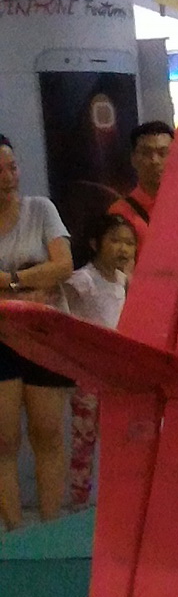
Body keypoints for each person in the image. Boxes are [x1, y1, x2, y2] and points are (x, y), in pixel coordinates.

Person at [0, 134, 74, 526]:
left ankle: (50, 527)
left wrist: (9, 281)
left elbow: (62, 266)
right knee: (4, 440)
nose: (8, 177)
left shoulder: (41, 209)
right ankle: (15, 534)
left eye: (12, 167)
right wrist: (30, 283)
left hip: (45, 333)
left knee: (48, 433)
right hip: (1, 339)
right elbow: (46, 271)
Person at [58, 206, 138, 508]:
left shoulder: (123, 281)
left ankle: (115, 501)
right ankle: (79, 503)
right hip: (88, 375)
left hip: (117, 375)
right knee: (84, 441)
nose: (123, 249)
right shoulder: (83, 280)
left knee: (117, 438)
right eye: (115, 241)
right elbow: (62, 312)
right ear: (95, 243)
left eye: (129, 243)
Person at [108, 118, 174, 243]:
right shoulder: (120, 213)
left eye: (163, 153)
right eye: (146, 153)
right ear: (133, 159)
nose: (155, 161)